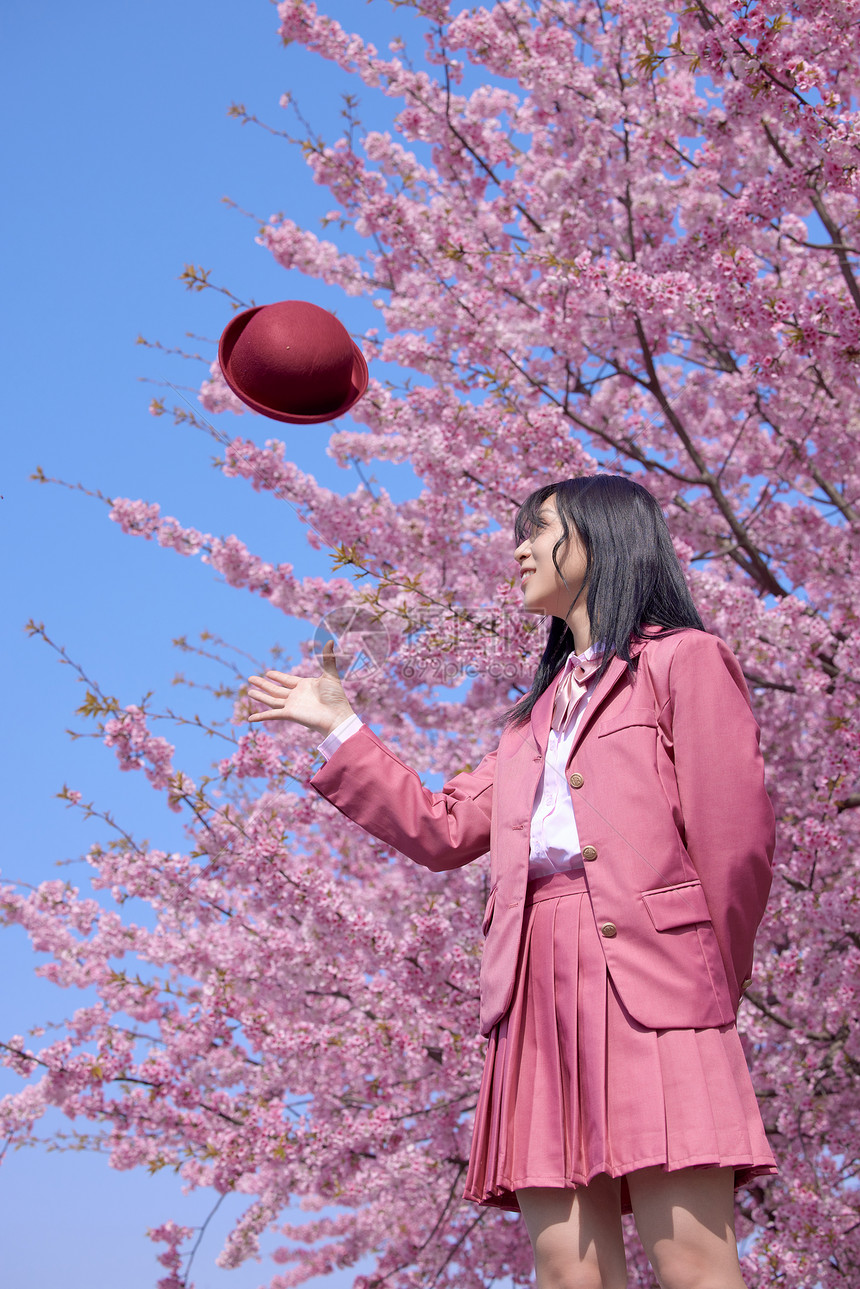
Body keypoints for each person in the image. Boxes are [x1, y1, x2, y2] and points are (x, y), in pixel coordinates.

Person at [247, 474, 777, 1289]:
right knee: (566, 1268)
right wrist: (339, 724)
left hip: (659, 977)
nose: (520, 549)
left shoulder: (684, 661)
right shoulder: (531, 720)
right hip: (532, 985)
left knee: (694, 1262)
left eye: (540, 531)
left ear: (602, 540)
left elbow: (734, 843)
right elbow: (442, 826)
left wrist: (707, 981)